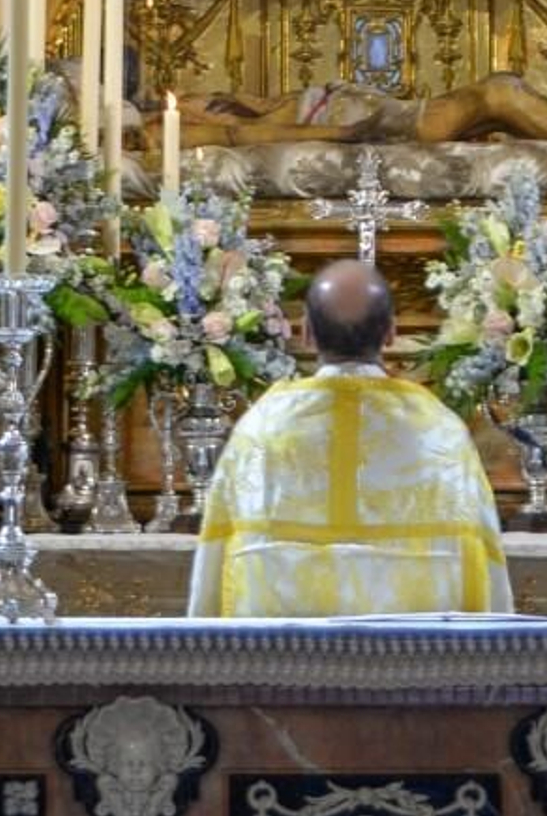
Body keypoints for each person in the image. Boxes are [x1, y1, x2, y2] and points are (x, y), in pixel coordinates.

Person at [188, 259, 511, 618]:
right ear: (390, 332)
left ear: (307, 331)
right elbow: (482, 557)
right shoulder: (439, 429)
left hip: (285, 665)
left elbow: (215, 561)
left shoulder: (262, 426)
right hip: (413, 660)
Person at [168, 69, 547, 147]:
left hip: (402, 114)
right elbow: (257, 135)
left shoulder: (265, 104)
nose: (211, 101)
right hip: (402, 122)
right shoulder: (241, 131)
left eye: (205, 96)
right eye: (200, 106)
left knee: (503, 93)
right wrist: (348, 133)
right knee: (500, 94)